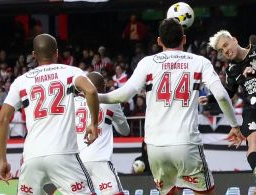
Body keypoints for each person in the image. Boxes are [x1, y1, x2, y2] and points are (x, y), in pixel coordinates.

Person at [99, 18, 243, 195]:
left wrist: (96, 97)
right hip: (186, 143)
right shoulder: (200, 62)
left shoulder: (147, 62)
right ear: (184, 39)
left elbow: (125, 94)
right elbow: (221, 95)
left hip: (155, 145)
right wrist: (234, 125)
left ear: (159, 41)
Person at [0, 34, 99, 194]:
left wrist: (3, 160)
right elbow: (91, 91)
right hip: (63, 154)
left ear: (34, 55)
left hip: (32, 158)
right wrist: (93, 123)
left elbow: (2, 120)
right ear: (56, 53)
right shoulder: (71, 72)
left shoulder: (21, 81)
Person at [205, 30, 256, 195]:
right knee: (255, 142)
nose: (225, 51)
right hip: (254, 111)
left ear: (235, 40)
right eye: (221, 51)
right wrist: (209, 99)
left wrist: (255, 71)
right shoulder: (232, 70)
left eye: (225, 45)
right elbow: (229, 92)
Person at [75, 72, 130, 195]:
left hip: (77, 163)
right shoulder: (111, 102)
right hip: (99, 160)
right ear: (103, 86)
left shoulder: (72, 103)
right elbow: (125, 131)